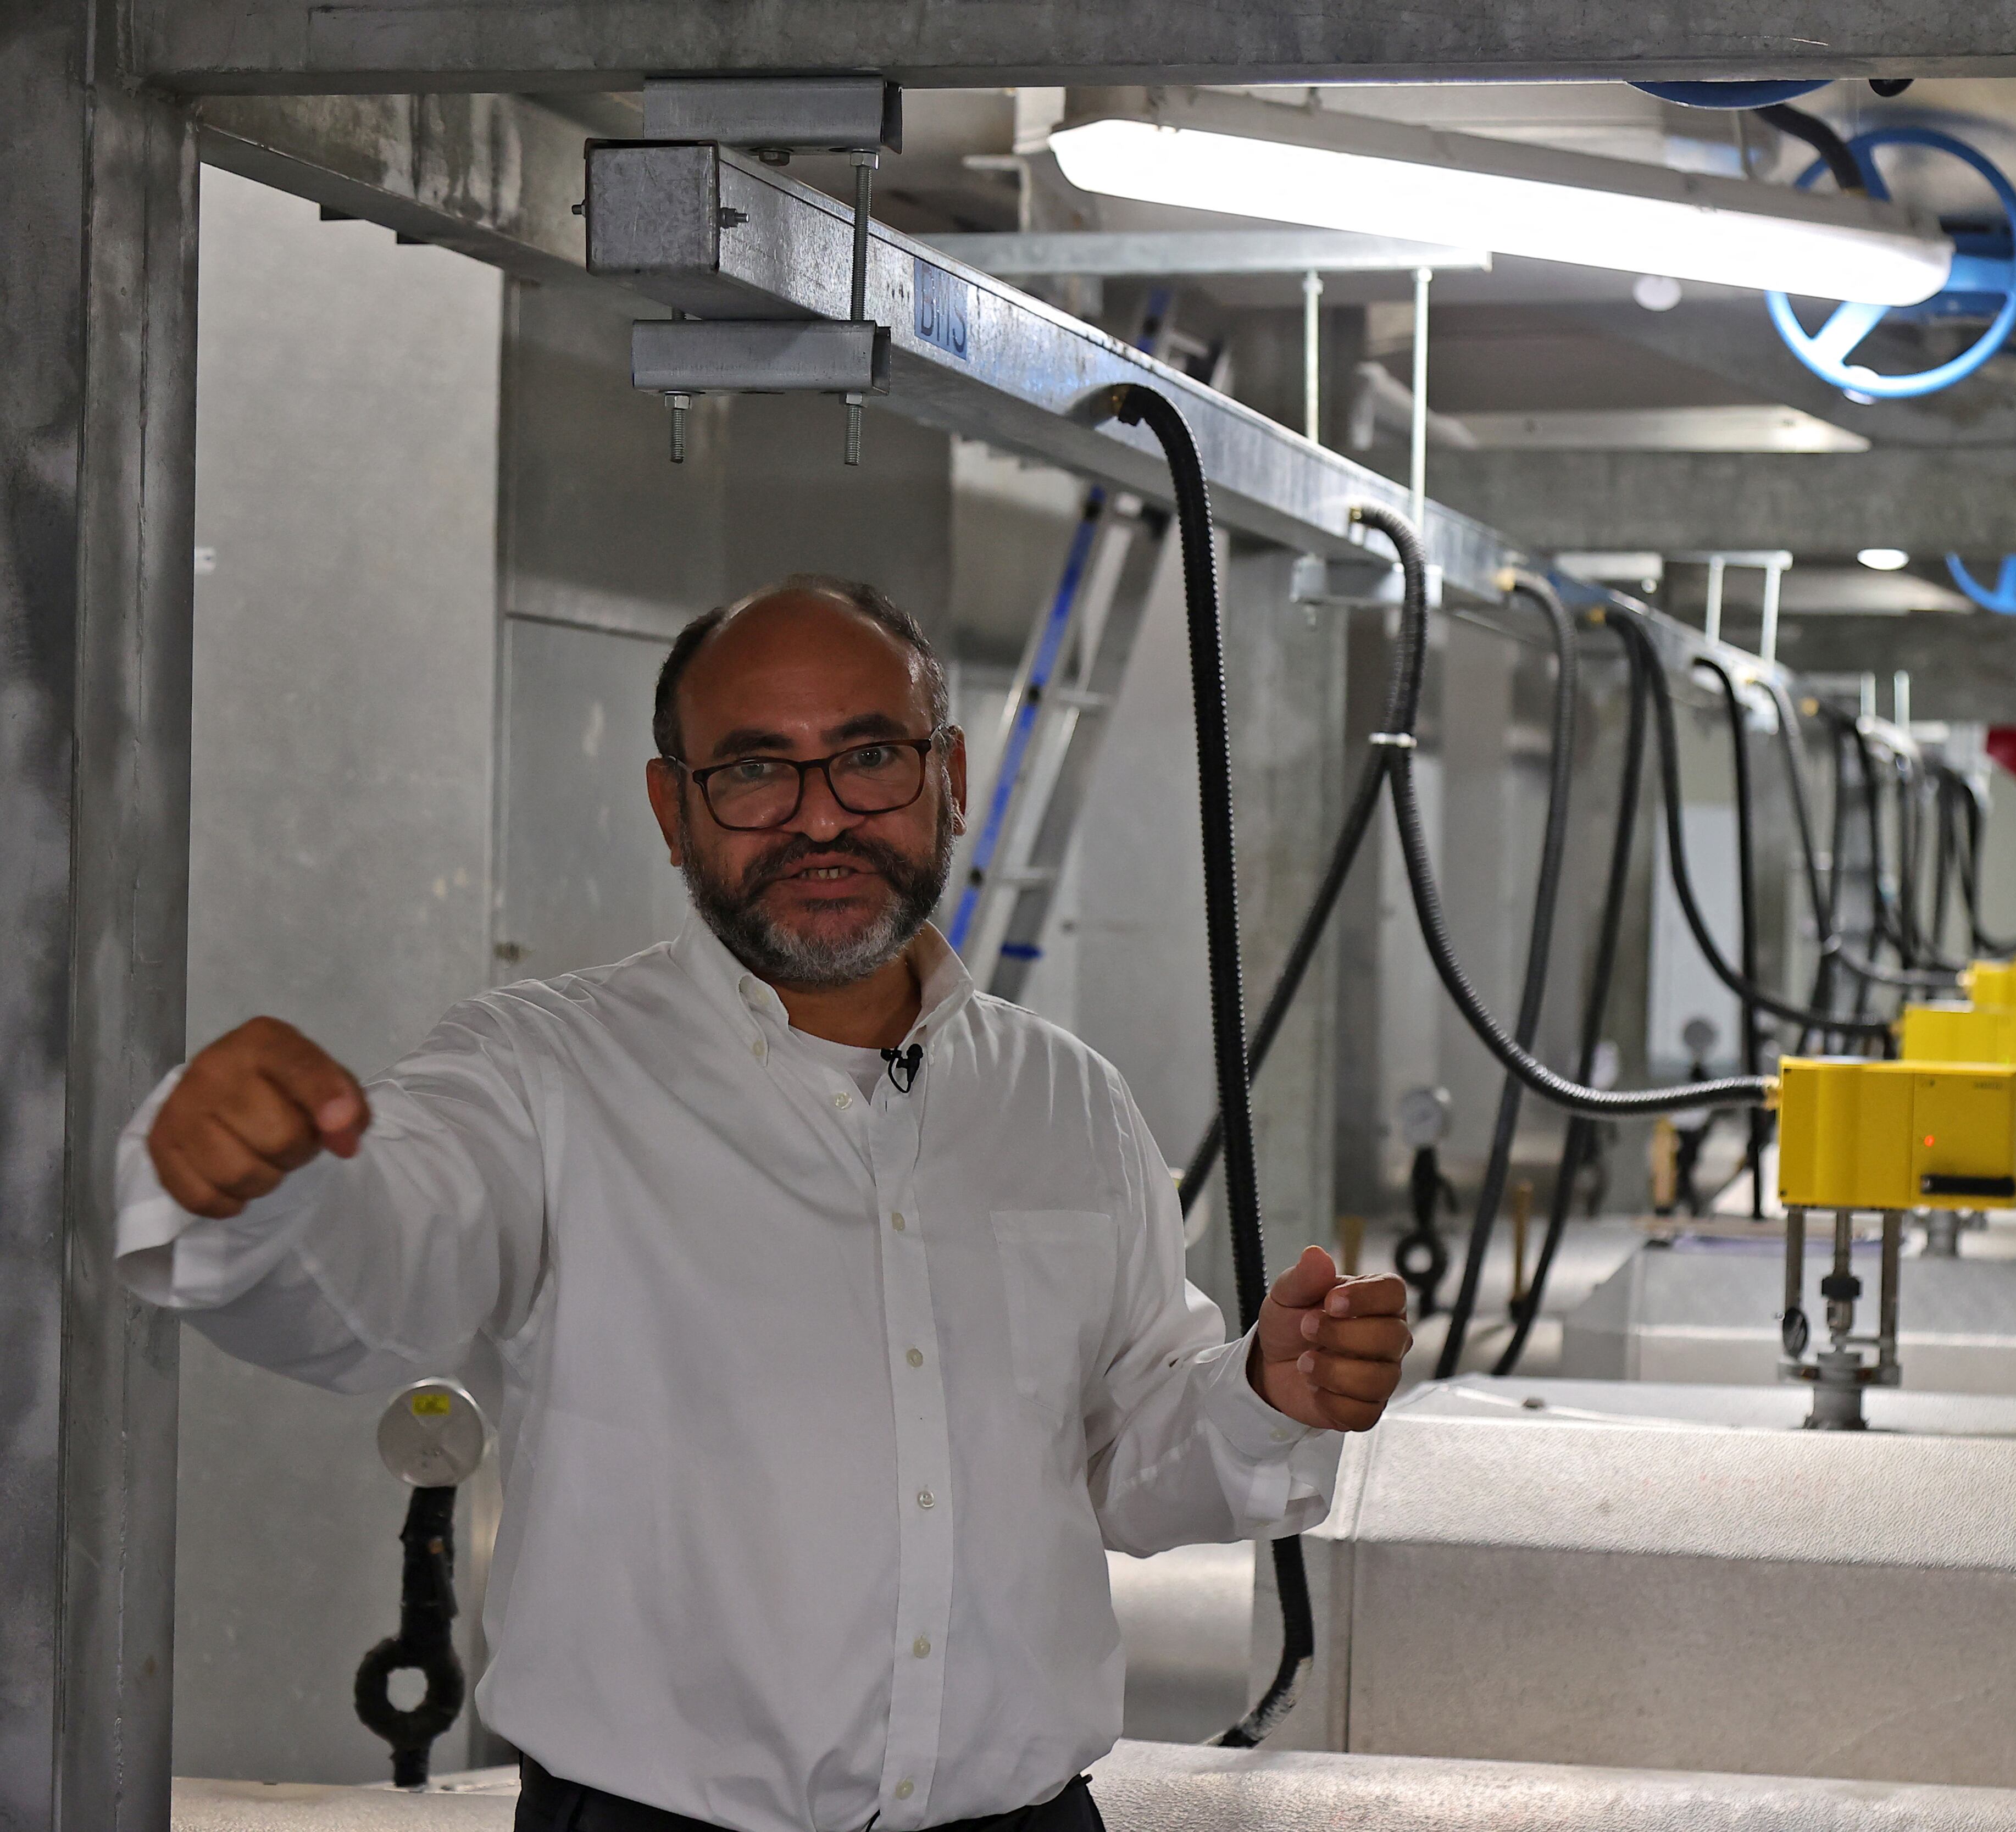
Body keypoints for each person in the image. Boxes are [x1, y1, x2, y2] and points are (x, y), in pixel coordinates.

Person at [114, 575, 1414, 1832]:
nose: (821, 817)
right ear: (671, 807)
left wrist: (1265, 1391)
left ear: (951, 777)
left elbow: (1123, 1463)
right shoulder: (540, 1072)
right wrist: (261, 1196)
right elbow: (383, 1271)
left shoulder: (1066, 1099)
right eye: (752, 769)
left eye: (871, 757)